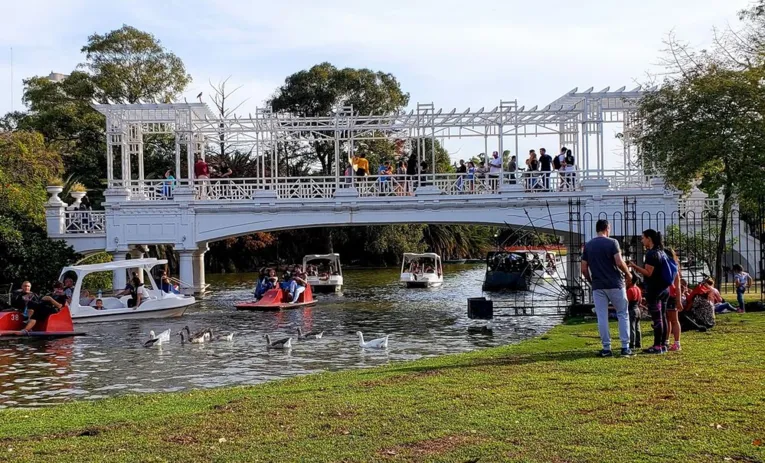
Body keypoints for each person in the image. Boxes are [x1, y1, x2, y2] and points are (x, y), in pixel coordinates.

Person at [581, 219, 633, 357]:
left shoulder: (588, 245)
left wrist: (591, 281)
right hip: (615, 283)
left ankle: (606, 348)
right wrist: (628, 273)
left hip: (598, 285)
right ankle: (625, 346)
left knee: (602, 316)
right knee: (622, 313)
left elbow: (584, 269)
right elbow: (618, 261)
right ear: (607, 228)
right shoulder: (612, 242)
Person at [629, 229, 671, 354]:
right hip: (664, 289)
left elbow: (649, 273)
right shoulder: (662, 252)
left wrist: (634, 266)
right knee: (663, 317)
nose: (642, 240)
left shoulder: (651, 254)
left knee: (657, 319)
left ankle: (657, 346)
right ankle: (663, 344)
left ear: (649, 238)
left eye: (643, 238)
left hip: (655, 291)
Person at [665, 248, 683, 351]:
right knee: (667, 320)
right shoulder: (671, 267)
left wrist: (678, 300)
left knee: (674, 320)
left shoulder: (674, 268)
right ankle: (666, 341)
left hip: (671, 296)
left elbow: (678, 286)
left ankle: (677, 343)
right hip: (666, 295)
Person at [626, 271, 643, 350]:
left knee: (631, 327)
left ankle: (631, 343)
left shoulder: (630, 290)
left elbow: (627, 301)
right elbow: (640, 301)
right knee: (637, 327)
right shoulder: (638, 289)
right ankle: (638, 343)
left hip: (631, 309)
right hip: (638, 309)